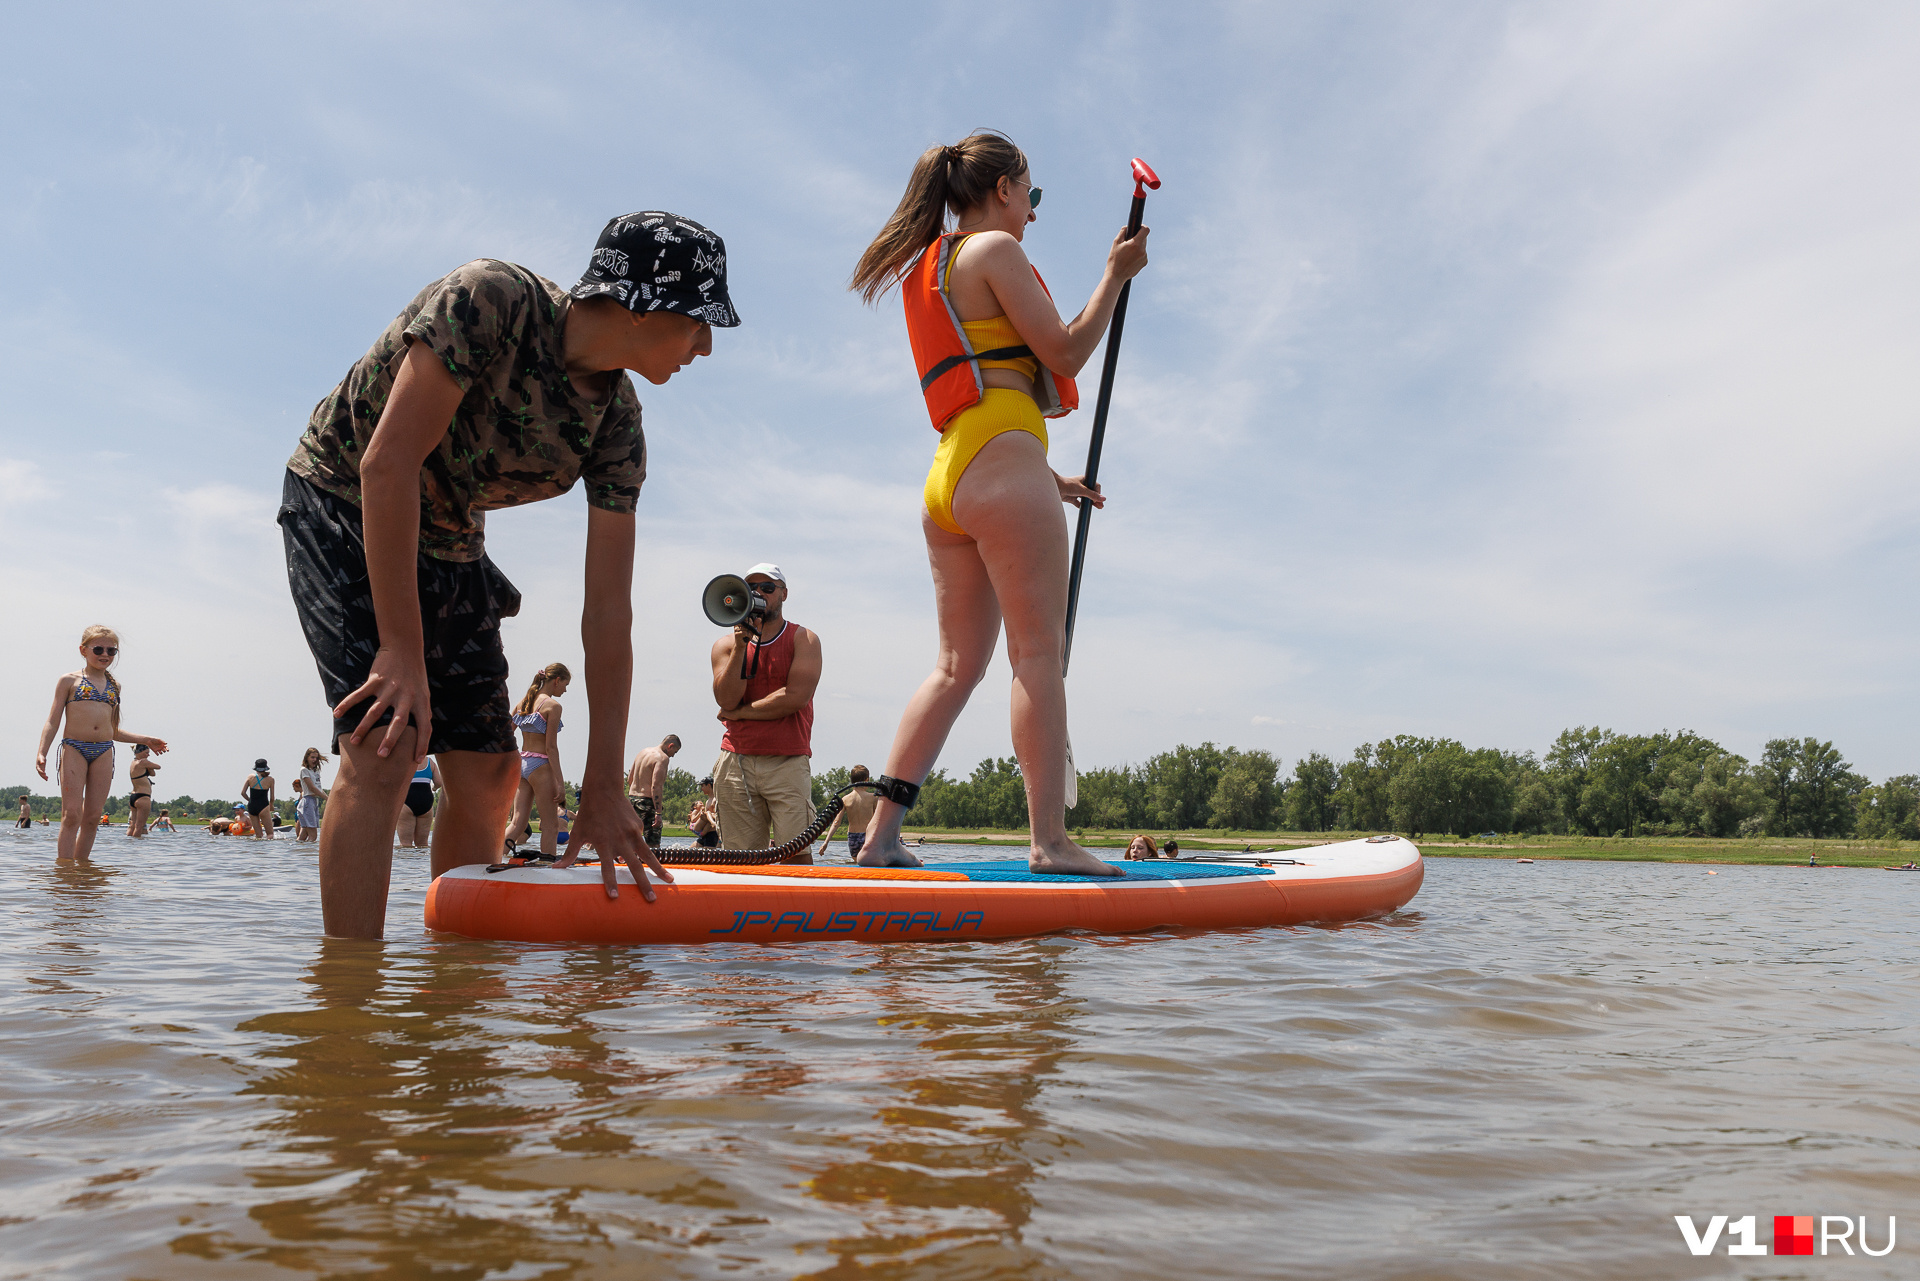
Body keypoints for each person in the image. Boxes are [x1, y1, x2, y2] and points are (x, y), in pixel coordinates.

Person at [277, 213, 733, 937]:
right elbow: (386, 463)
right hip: (343, 498)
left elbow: (609, 613)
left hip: (452, 538)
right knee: (384, 742)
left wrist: (605, 787)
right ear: (645, 303)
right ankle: (349, 1004)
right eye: (699, 323)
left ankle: (452, 994)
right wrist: (400, 650)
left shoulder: (617, 424)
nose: (706, 346)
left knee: (489, 777)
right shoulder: (489, 301)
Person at [846, 132, 1148, 873]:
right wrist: (1115, 274)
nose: (1033, 215)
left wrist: (1047, 481)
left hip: (951, 476)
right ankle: (1049, 841)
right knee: (1037, 653)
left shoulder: (933, 262)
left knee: (953, 666)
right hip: (1000, 465)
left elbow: (981, 388)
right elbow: (1068, 352)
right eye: (1032, 196)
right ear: (1006, 188)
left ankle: (880, 839)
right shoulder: (993, 250)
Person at [709, 564, 821, 860]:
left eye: (767, 588)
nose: (758, 593)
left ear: (783, 594)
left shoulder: (804, 639)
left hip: (787, 761)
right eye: (751, 588)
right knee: (739, 857)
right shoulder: (725, 645)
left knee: (795, 854)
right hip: (736, 763)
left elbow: (794, 698)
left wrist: (741, 714)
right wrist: (739, 646)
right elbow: (726, 699)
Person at [34, 625, 169, 862]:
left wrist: (145, 739)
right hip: (74, 747)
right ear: (83, 650)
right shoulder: (68, 680)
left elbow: (112, 730)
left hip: (104, 751)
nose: (105, 654)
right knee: (72, 814)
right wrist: (42, 752)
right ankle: (65, 872)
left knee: (93, 816)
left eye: (111, 650)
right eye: (98, 649)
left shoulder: (114, 686)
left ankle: (83, 871)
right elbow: (53, 721)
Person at [503, 663, 570, 861]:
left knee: (516, 823)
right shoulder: (553, 706)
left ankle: (493, 857)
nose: (565, 690)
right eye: (565, 684)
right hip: (541, 766)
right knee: (550, 824)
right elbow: (551, 748)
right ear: (556, 681)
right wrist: (560, 782)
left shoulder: (524, 702)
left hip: (522, 764)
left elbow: (506, 733)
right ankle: (547, 868)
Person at [625, 733, 681, 848]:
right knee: (653, 845)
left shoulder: (642, 752)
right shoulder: (662, 758)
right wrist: (658, 813)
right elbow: (656, 786)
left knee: (631, 841)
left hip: (632, 800)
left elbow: (629, 779)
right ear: (670, 746)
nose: (673, 756)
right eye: (674, 752)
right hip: (647, 803)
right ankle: (654, 865)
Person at [817, 765, 878, 860]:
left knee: (856, 863)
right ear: (867, 780)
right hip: (868, 836)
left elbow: (836, 823)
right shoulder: (873, 798)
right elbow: (878, 820)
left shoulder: (845, 799)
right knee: (869, 864)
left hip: (852, 837)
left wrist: (826, 842)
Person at [396, 757, 444, 849]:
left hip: (406, 801)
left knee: (405, 844)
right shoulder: (430, 762)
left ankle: (406, 863)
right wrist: (434, 789)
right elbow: (439, 782)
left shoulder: (403, 760)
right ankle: (422, 862)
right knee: (423, 844)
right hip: (426, 802)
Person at [294, 747, 330, 841]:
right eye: (312, 757)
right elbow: (312, 788)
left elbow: (319, 788)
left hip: (314, 801)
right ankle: (309, 855)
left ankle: (299, 853)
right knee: (313, 836)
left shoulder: (316, 771)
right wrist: (327, 799)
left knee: (303, 835)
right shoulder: (304, 770)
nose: (314, 760)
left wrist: (328, 797)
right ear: (307, 758)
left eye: (316, 758)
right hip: (307, 801)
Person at [127, 742, 161, 838]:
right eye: (146, 752)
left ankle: (128, 845)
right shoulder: (143, 762)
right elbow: (158, 767)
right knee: (139, 826)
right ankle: (137, 848)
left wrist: (148, 766)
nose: (148, 755)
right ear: (140, 752)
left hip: (133, 796)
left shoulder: (134, 763)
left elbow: (152, 773)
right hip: (143, 796)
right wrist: (148, 763)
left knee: (132, 825)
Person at [240, 758, 276, 841]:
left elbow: (243, 793)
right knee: (270, 834)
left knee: (258, 835)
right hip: (263, 806)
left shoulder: (250, 777)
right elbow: (272, 797)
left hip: (252, 806)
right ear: (265, 768)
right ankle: (266, 852)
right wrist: (271, 805)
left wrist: (250, 801)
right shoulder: (270, 779)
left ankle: (256, 852)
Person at [689, 775, 720, 847]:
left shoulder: (715, 800)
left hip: (712, 834)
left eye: (702, 786)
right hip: (705, 834)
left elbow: (718, 817)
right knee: (691, 849)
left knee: (709, 856)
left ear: (709, 785)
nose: (701, 789)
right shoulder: (707, 801)